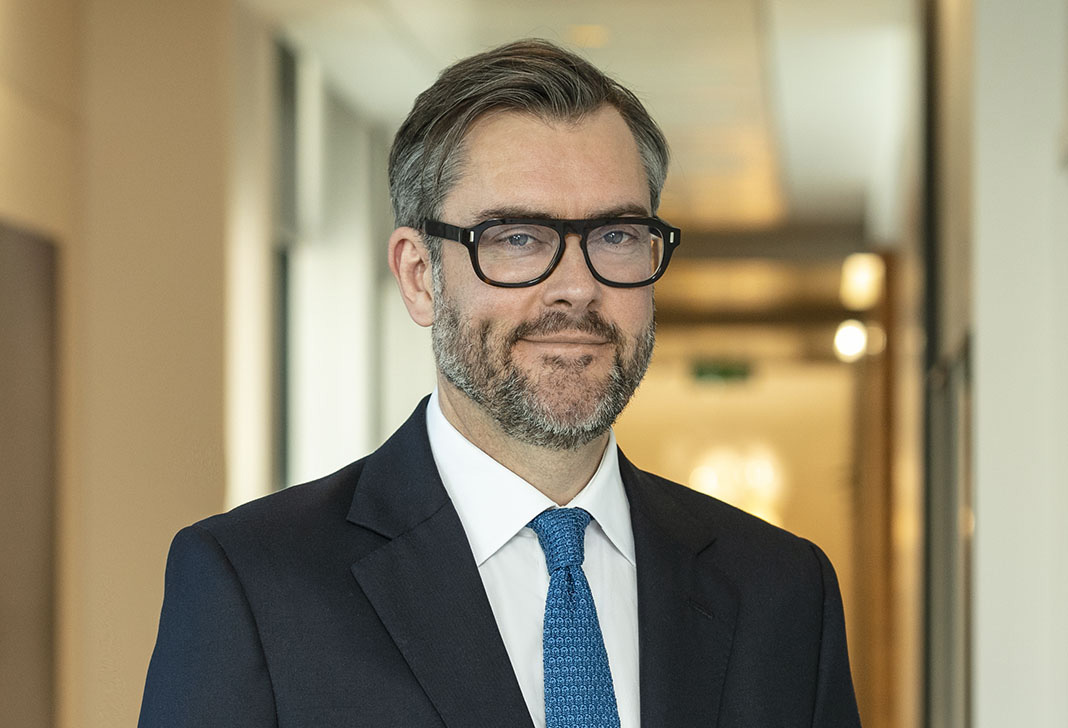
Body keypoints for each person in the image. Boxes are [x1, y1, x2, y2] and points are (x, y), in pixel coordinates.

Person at [139, 39, 861, 728]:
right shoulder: (256, 585)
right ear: (420, 277)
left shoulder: (781, 591)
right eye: (517, 238)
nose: (576, 288)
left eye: (615, 235)